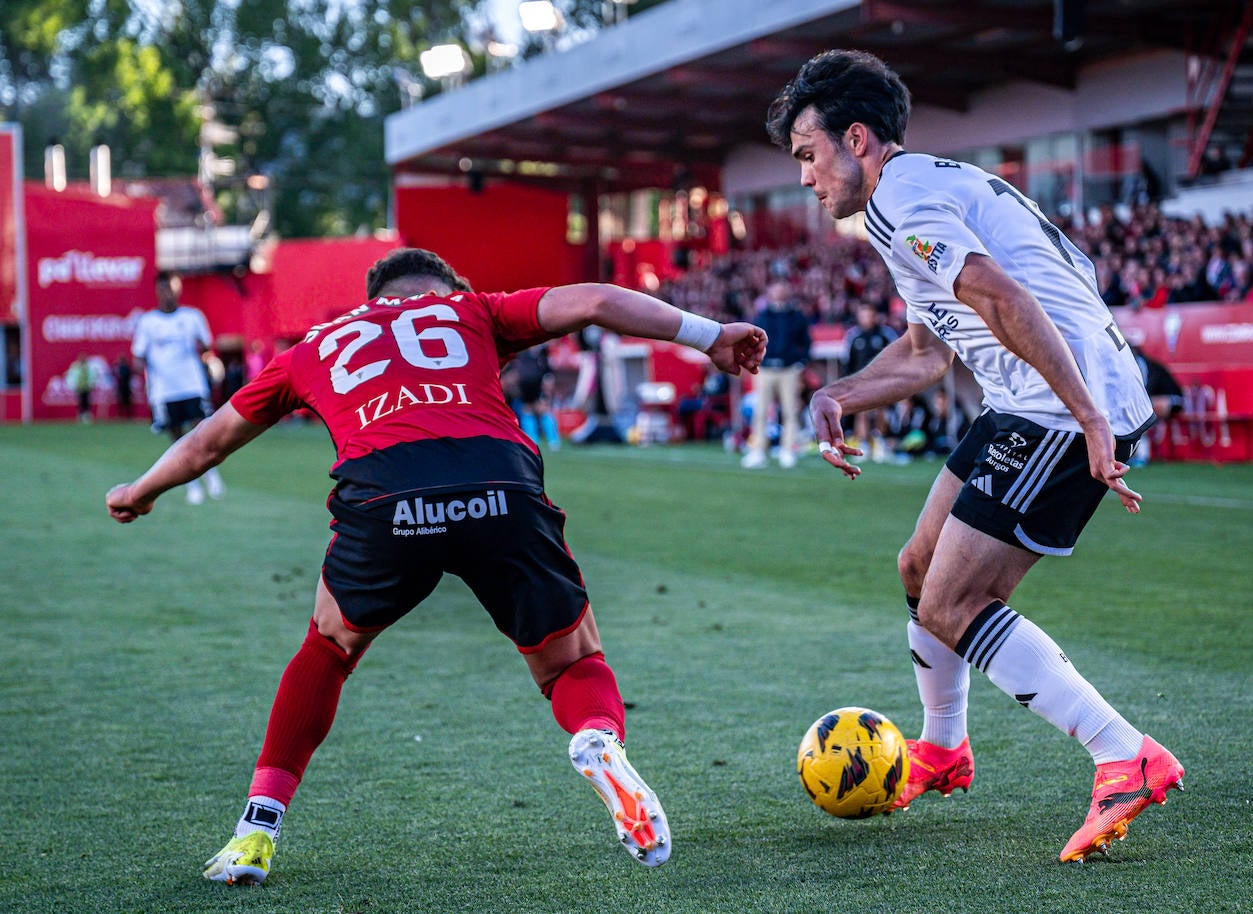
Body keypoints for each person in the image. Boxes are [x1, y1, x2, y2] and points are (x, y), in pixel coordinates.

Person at [105, 248, 767, 884]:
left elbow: (208, 439)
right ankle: (599, 741)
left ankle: (256, 830)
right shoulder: (473, 310)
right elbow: (595, 300)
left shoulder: (317, 345)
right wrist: (708, 335)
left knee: (330, 647)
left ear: (375, 304)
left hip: (387, 498)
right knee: (571, 663)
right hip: (497, 486)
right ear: (445, 290)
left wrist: (140, 491)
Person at [767, 50, 1183, 863]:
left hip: (1058, 410)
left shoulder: (902, 204)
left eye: (808, 156)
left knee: (953, 605)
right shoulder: (917, 189)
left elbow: (1003, 297)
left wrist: (1090, 420)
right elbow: (927, 351)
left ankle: (1123, 753)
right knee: (920, 570)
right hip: (1027, 402)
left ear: (857, 139)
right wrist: (840, 394)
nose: (808, 180)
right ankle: (944, 748)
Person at [131, 271, 225, 504]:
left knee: (202, 434)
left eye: (172, 287)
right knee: (177, 440)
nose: (168, 293)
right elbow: (138, 357)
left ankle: (211, 476)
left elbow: (205, 349)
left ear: (179, 289)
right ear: (157, 291)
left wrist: (210, 362)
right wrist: (146, 376)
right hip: (164, 391)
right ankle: (192, 486)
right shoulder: (148, 322)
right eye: (164, 288)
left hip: (192, 385)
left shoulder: (192, 317)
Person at [741, 278, 811, 468]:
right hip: (765, 369)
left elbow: (806, 343)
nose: (779, 291)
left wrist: (800, 363)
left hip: (788, 369)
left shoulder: (797, 316)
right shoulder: (762, 315)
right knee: (761, 411)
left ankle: (787, 450)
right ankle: (758, 451)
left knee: (790, 411)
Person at [840, 301, 899, 461]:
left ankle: (879, 443)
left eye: (869, 314)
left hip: (882, 380)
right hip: (860, 381)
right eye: (863, 314)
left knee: (881, 411)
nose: (866, 318)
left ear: (875, 316)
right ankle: (864, 445)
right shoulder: (853, 336)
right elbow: (848, 362)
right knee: (862, 413)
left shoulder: (886, 334)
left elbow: (896, 357)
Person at [65, 352, 95, 423]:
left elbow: (91, 376)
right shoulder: (75, 366)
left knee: (86, 402)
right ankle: (81, 416)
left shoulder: (88, 367)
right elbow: (72, 376)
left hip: (86, 387)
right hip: (79, 387)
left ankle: (86, 416)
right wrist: (73, 385)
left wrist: (91, 385)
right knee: (81, 401)